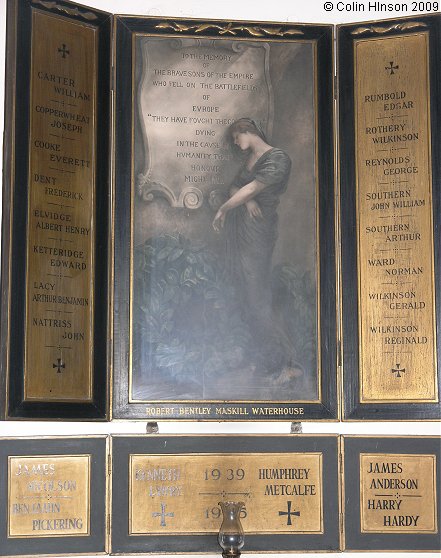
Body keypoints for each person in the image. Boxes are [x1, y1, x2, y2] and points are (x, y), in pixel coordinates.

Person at [212, 118, 298, 379]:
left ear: (246, 132)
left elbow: (252, 187)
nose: (236, 144)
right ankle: (265, 360)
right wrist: (247, 203)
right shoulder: (251, 159)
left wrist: (223, 208)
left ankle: (288, 362)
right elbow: (236, 186)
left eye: (236, 138)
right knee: (244, 291)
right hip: (243, 228)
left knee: (256, 293)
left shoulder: (278, 158)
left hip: (259, 231)